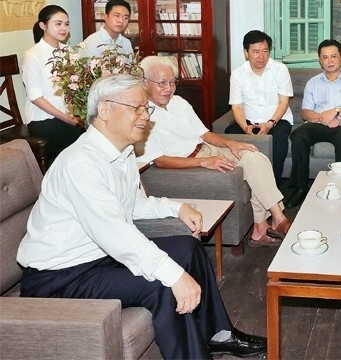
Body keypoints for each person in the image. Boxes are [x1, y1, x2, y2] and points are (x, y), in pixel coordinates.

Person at [16, 74, 267, 359]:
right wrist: (174, 276)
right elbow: (115, 233)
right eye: (137, 108)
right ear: (105, 110)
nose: (145, 117)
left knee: (188, 247)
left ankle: (218, 334)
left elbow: (133, 206)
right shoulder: (80, 164)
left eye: (145, 109)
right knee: (162, 283)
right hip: (59, 278)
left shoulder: (121, 154)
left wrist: (177, 208)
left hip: (97, 258)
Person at [137, 56, 292, 247]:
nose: (168, 88)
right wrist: (203, 162)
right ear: (144, 83)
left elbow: (205, 134)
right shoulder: (141, 114)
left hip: (206, 148)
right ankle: (278, 219)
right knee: (249, 167)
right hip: (189, 162)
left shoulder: (179, 102)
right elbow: (160, 160)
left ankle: (263, 227)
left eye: (172, 82)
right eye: (162, 83)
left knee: (254, 156)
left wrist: (231, 144)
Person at [284, 39, 341, 208]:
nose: (330, 61)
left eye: (333, 56)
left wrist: (336, 111)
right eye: (325, 57)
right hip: (319, 123)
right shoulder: (313, 82)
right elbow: (305, 112)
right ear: (320, 60)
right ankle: (300, 187)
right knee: (298, 135)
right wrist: (323, 117)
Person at [225, 30, 293, 185]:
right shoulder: (237, 74)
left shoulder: (280, 70)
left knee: (279, 139)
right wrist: (245, 127)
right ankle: (241, 184)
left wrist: (270, 123)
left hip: (277, 120)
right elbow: (236, 107)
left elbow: (284, 102)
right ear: (246, 53)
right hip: (249, 121)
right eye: (255, 52)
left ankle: (273, 186)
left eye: (265, 51)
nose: (261, 56)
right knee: (230, 134)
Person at [22, 5, 84, 166]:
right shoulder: (33, 55)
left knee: (99, 132)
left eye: (66, 24)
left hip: (68, 115)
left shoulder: (68, 51)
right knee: (85, 141)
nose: (64, 28)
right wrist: (67, 119)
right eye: (58, 24)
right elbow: (35, 97)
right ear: (43, 26)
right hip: (42, 119)